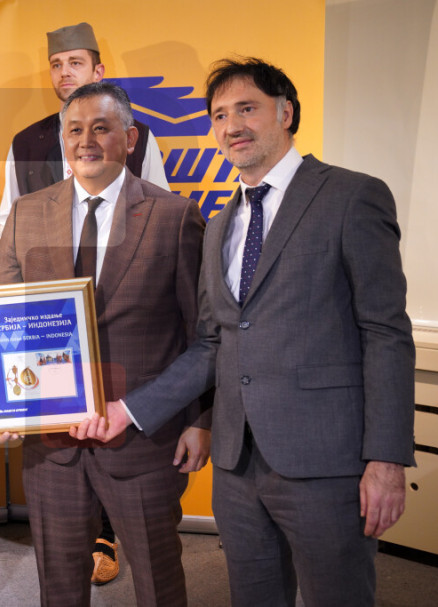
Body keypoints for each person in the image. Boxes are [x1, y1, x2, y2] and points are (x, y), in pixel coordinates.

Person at [77, 57, 416, 606]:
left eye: (246, 109)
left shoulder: (351, 197)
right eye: (219, 115)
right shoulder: (217, 225)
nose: (231, 125)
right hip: (237, 467)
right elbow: (213, 343)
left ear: (286, 113)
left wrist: (387, 460)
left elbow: (386, 334)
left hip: (327, 463)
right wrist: (129, 410)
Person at [0, 81, 211, 607]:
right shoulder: (25, 213)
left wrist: (200, 420)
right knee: (59, 586)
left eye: (101, 128)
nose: (85, 140)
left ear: (129, 139)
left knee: (159, 582)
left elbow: (202, 334)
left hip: (143, 441)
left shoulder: (175, 215)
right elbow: (3, 323)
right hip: (51, 445)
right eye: (74, 129)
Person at [0, 22, 169, 237]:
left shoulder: (134, 136)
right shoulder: (25, 144)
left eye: (75, 63)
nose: (64, 72)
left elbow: (162, 209)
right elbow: (9, 221)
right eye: (56, 65)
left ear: (98, 72)